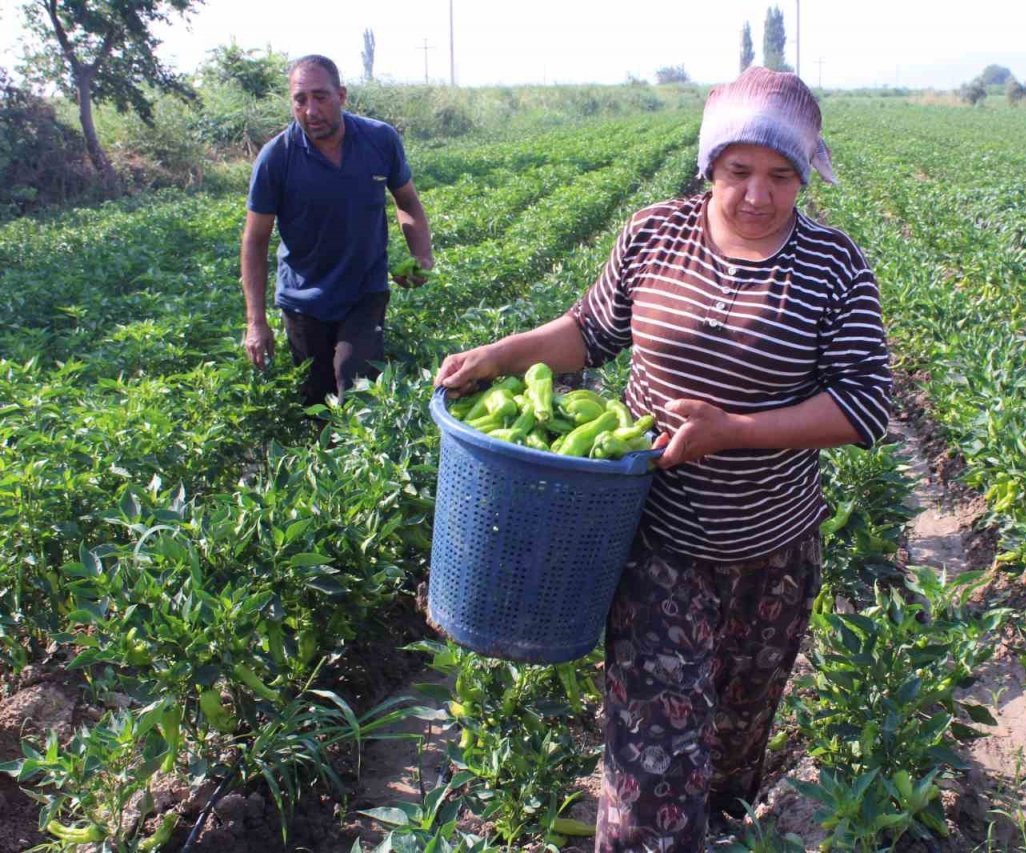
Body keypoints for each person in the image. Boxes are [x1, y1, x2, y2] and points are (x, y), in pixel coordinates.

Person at [435, 67, 892, 852]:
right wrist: (503, 353)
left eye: (783, 175)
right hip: (655, 543)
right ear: (710, 163)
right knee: (652, 771)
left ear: (808, 174)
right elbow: (589, 331)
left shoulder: (834, 267)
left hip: (770, 553)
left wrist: (732, 429)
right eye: (740, 170)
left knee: (730, 757)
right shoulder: (656, 233)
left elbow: (864, 405)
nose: (758, 194)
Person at [241, 54, 434, 408]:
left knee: (357, 389)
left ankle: (363, 458)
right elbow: (255, 241)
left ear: (341, 95)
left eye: (320, 97)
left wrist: (421, 255)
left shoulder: (380, 140)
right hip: (304, 300)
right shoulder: (276, 158)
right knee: (317, 402)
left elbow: (407, 201)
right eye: (300, 100)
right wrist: (256, 322)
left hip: (365, 291)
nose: (311, 110)